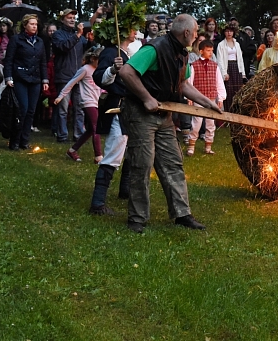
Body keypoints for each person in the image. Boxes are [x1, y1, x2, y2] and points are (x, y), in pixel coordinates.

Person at [118, 14, 223, 233]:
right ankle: (137, 218)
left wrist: (206, 102)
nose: (196, 37)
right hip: (140, 112)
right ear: (186, 33)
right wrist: (146, 98)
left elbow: (183, 84)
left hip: (164, 113)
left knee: (173, 162)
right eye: (195, 33)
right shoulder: (154, 49)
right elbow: (126, 72)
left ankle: (182, 214)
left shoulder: (182, 54)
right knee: (142, 163)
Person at [89, 13, 141, 216]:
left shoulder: (128, 52)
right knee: (113, 154)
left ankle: (125, 190)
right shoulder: (112, 52)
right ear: (122, 30)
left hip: (132, 109)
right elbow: (100, 78)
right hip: (118, 108)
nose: (135, 31)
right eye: (132, 27)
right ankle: (97, 203)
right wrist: (112, 69)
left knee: (131, 150)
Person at [3, 14, 49, 150]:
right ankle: (15, 140)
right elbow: (9, 59)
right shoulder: (16, 39)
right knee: (22, 109)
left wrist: (45, 79)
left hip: (35, 79)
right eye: (31, 24)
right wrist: (8, 77)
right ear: (25, 25)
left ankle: (24, 140)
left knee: (31, 111)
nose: (34, 26)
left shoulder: (40, 42)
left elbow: (43, 62)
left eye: (36, 24)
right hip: (20, 77)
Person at [55, 46, 104, 163]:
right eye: (99, 60)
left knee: (91, 130)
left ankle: (72, 150)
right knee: (96, 128)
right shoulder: (85, 69)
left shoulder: (99, 70)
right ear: (92, 58)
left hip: (96, 102)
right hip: (87, 102)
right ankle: (99, 157)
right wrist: (61, 96)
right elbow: (71, 83)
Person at [51, 8, 87, 143]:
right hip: (64, 76)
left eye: (73, 17)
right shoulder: (57, 35)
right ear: (62, 20)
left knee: (80, 109)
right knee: (63, 109)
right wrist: (77, 35)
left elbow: (86, 48)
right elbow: (63, 47)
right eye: (69, 17)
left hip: (78, 76)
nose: (72, 19)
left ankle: (78, 136)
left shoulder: (78, 35)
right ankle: (62, 136)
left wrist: (90, 41)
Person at [186, 40, 226, 155]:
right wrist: (189, 97)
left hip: (212, 99)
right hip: (198, 98)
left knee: (210, 123)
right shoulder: (194, 65)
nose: (210, 52)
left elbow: (219, 82)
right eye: (208, 50)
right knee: (196, 123)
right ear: (201, 51)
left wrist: (221, 98)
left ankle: (208, 146)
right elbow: (189, 82)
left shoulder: (215, 66)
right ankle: (191, 146)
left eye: (212, 50)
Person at [216, 24, 247, 112]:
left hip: (236, 68)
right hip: (227, 67)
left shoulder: (237, 44)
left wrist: (243, 73)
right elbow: (220, 60)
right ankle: (228, 112)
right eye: (227, 31)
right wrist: (224, 73)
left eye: (231, 31)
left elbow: (240, 59)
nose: (229, 33)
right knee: (228, 90)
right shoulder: (221, 45)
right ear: (224, 33)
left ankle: (237, 111)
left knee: (237, 89)